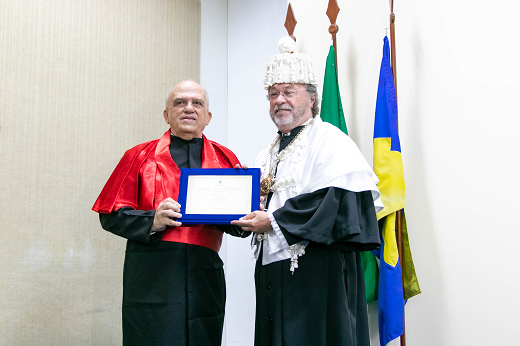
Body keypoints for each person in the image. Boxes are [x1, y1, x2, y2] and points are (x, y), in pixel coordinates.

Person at [231, 38, 384, 346]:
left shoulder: (331, 141)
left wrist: (273, 221)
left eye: (289, 92)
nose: (279, 100)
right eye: (273, 94)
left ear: (312, 99)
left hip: (319, 272)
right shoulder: (267, 152)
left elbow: (335, 203)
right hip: (273, 272)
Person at [93, 80, 249, 346]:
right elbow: (109, 215)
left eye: (197, 103)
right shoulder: (139, 156)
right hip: (152, 273)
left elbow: (239, 226)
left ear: (208, 116)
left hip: (205, 274)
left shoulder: (226, 159)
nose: (189, 108)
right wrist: (151, 220)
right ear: (166, 114)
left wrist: (247, 203)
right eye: (180, 102)